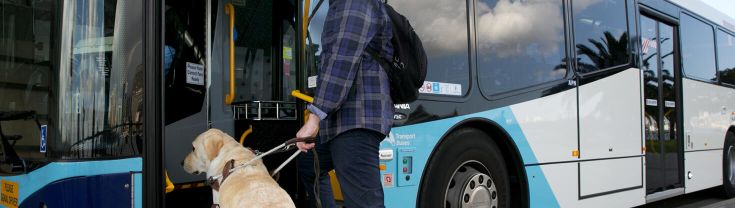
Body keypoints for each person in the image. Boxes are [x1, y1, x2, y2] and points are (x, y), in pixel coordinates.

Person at [295, 0, 393, 207]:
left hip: (357, 118)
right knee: (309, 164)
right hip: (341, 118)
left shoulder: (354, 2)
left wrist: (314, 117)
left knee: (363, 202)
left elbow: (341, 59)